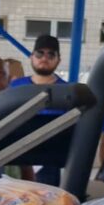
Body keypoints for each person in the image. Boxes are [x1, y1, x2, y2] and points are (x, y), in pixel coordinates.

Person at [11, 34, 67, 186]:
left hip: (49, 163)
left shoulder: (68, 92)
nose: (45, 58)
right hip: (13, 158)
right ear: (31, 57)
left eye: (51, 54)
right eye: (40, 53)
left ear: (58, 60)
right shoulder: (15, 87)